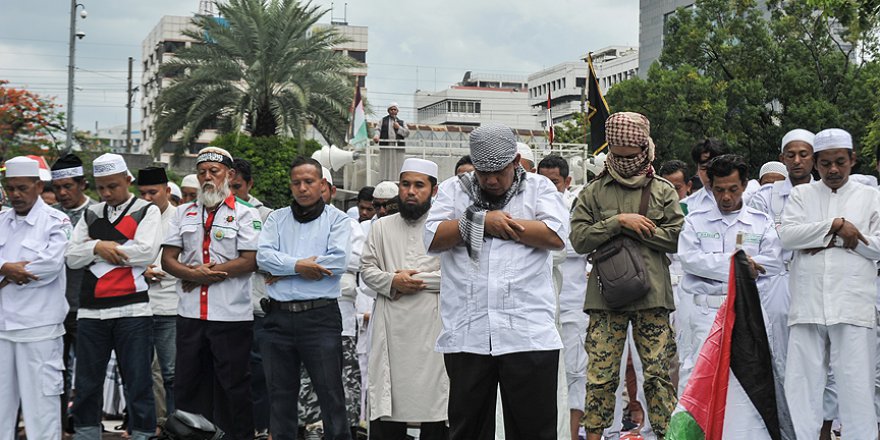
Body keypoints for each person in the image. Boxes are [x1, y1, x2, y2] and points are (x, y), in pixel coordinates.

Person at [425, 123, 568, 440]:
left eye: (498, 171)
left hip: (527, 332)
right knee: (467, 430)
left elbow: (555, 235)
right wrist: (481, 221)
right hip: (468, 332)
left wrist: (503, 224)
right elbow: (433, 238)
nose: (490, 180)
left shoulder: (539, 188)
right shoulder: (454, 190)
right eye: (482, 172)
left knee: (534, 430)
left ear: (516, 161)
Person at [569, 112, 683, 439]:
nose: (623, 163)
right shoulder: (592, 193)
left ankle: (665, 435)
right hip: (606, 300)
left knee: (659, 377)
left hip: (653, 296)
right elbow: (578, 240)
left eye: (630, 157)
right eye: (616, 156)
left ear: (644, 151)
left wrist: (641, 230)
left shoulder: (663, 191)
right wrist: (617, 222)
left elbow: (676, 237)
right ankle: (593, 435)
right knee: (601, 377)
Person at [780, 128, 880, 440]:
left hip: (853, 303)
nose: (833, 170)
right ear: (817, 164)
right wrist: (838, 227)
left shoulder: (871, 197)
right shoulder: (801, 195)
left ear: (852, 159)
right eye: (825, 164)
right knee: (801, 383)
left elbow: (877, 246)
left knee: (856, 384)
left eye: (840, 161)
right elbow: (787, 236)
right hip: (808, 302)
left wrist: (823, 239)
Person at [160, 147, 259, 440]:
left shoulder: (245, 214)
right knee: (189, 386)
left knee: (233, 388)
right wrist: (193, 275)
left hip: (230, 317)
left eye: (214, 172)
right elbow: (168, 260)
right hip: (190, 316)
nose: (207, 178)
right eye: (202, 172)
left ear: (229, 175)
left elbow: (249, 260)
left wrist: (203, 277)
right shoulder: (183, 212)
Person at [66, 153, 161, 440]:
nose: (106, 193)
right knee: (86, 384)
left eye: (113, 186)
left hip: (133, 311)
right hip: (91, 312)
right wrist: (97, 246)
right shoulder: (90, 213)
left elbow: (146, 251)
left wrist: (95, 250)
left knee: (138, 381)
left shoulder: (147, 211)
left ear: (127, 181)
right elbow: (71, 257)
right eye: (101, 187)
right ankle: (86, 433)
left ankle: (143, 433)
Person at [256, 157, 352, 440]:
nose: (302, 188)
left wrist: (283, 269)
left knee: (331, 394)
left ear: (323, 184)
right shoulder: (276, 218)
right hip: (277, 317)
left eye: (309, 182)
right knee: (280, 397)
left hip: (319, 318)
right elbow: (263, 257)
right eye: (296, 182)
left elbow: (336, 263)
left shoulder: (338, 219)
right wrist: (300, 266)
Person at [676, 155, 783, 400]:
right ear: (710, 186)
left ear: (744, 185)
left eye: (733, 189)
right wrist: (739, 264)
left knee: (751, 380)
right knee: (698, 379)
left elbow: (774, 261)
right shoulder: (695, 221)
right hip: (706, 312)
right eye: (719, 190)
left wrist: (728, 264)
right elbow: (690, 259)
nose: (726, 197)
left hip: (749, 311)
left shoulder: (760, 222)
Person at [361, 158, 449, 440]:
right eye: (406, 184)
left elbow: (457, 276)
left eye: (419, 185)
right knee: (389, 409)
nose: (411, 191)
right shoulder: (381, 227)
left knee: (437, 409)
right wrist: (392, 281)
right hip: (391, 326)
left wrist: (414, 280)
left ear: (433, 191)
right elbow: (367, 271)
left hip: (433, 328)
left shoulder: (445, 228)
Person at [0, 157, 71, 440]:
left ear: (38, 186)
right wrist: (6, 268)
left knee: (41, 410)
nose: (15, 194)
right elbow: (20, 268)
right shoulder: (1, 220)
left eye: (22, 188)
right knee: (1, 408)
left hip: (39, 330)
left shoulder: (56, 221)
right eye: (10, 188)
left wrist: (3, 272)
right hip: (3, 329)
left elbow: (49, 266)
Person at [297, 168, 365, 439]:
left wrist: (311, 261)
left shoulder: (348, 225)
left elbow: (358, 258)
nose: (309, 191)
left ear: (330, 190)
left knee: (341, 385)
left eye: (316, 186)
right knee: (305, 384)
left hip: (341, 319)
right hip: (300, 316)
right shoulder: (287, 221)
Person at [537, 154, 590, 440]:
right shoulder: (528, 206)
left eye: (553, 182)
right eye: (542, 180)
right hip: (536, 305)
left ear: (567, 181)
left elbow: (578, 244)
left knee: (574, 373)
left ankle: (569, 434)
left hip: (571, 303)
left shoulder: (577, 207)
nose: (547, 186)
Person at [50, 153, 97, 432]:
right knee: (57, 372)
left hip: (89, 305)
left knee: (90, 372)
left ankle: (85, 425)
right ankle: (58, 425)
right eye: (57, 188)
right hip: (54, 307)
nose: (62, 193)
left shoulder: (98, 213)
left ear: (83, 184)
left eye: (68, 186)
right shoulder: (51, 216)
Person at [228, 157, 274, 439]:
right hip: (225, 308)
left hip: (256, 305)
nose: (232, 193)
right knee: (231, 373)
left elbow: (268, 260)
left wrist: (244, 261)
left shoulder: (266, 215)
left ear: (250, 184)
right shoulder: (215, 212)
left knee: (258, 372)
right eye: (228, 187)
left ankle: (261, 427)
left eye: (237, 186)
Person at [136, 167, 178, 421]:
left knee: (171, 373)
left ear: (167, 191)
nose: (148, 198)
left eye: (153, 192)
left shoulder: (181, 218)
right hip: (141, 306)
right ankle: (153, 425)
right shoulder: (136, 217)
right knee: (144, 372)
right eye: (143, 193)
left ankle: (177, 427)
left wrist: (155, 270)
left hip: (171, 306)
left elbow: (188, 261)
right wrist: (141, 270)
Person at [682, 138, 727, 214]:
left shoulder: (747, 197)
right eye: (704, 168)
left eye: (714, 167)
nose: (709, 173)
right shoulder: (687, 206)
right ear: (697, 171)